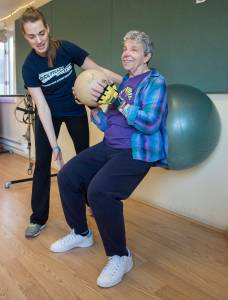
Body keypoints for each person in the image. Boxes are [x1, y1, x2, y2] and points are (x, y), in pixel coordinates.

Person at [50, 30, 168, 288]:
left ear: (147, 55)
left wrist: (117, 100)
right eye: (125, 48)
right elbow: (108, 124)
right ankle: (81, 233)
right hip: (109, 146)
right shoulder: (124, 84)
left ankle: (120, 256)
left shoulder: (155, 83)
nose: (126, 53)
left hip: (136, 152)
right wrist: (91, 105)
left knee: (100, 191)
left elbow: (149, 123)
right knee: (68, 175)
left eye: (134, 49)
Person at [21, 6, 122, 238]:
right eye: (32, 36)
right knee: (43, 162)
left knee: (84, 156)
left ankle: (90, 202)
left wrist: (127, 81)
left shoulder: (65, 48)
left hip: (75, 110)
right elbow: (42, 107)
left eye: (41, 33)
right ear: (26, 37)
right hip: (50, 115)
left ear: (47, 29)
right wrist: (54, 144)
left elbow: (97, 71)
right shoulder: (29, 67)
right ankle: (38, 218)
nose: (38, 40)